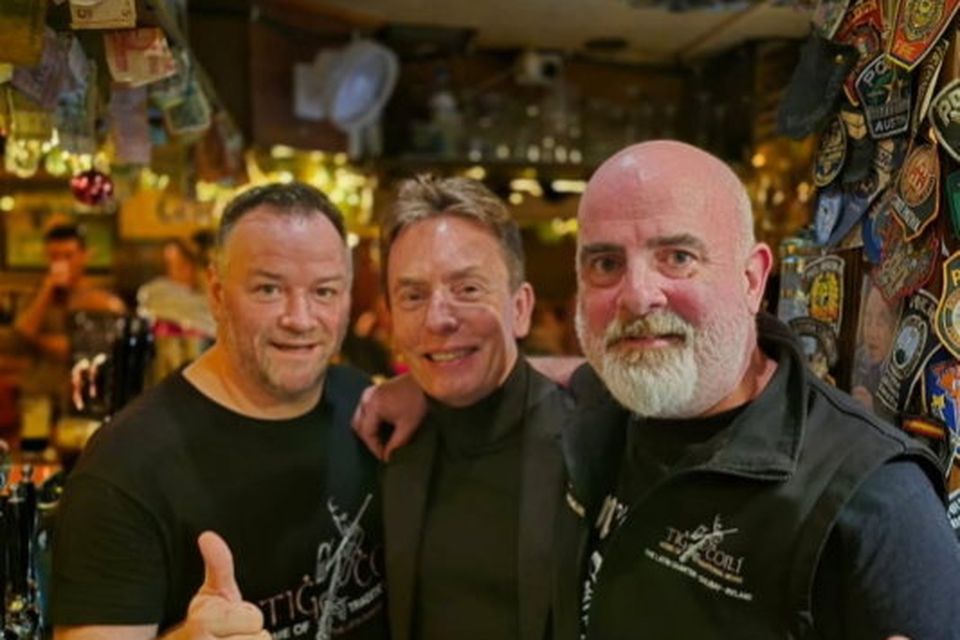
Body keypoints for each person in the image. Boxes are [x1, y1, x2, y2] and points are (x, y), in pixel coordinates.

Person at [553, 140, 960, 639]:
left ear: (752, 280)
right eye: (605, 264)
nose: (636, 296)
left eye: (678, 257)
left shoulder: (878, 498)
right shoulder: (592, 411)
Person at [51, 183, 388, 640]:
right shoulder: (126, 466)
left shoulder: (366, 406)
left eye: (324, 291)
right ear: (216, 293)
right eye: (269, 289)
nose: (300, 318)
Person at [377, 174, 570, 640]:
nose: (438, 319)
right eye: (413, 296)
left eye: (467, 289)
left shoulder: (590, 443)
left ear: (520, 309)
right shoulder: (379, 441)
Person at [14, 222, 126, 410]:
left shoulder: (102, 300)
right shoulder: (37, 296)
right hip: (39, 394)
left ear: (84, 256)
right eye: (54, 257)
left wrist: (39, 341)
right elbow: (22, 333)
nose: (61, 263)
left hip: (86, 398)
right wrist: (47, 290)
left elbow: (89, 350)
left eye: (68, 256)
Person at [850, 276, 899, 411]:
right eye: (867, 319)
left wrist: (874, 410)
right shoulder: (855, 360)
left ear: (896, 326)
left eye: (881, 322)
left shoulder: (901, 373)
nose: (871, 333)